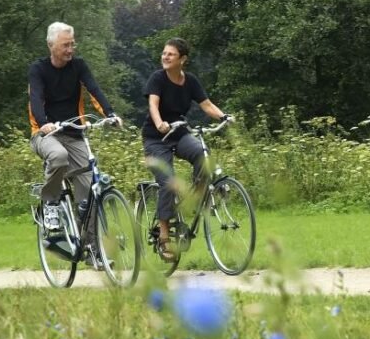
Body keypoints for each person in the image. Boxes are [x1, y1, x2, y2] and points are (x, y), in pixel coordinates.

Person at [142, 37, 231, 260]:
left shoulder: (190, 81)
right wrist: (160, 123)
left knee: (203, 155)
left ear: (182, 59)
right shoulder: (158, 78)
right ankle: (164, 238)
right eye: (164, 53)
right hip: (156, 137)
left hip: (180, 133)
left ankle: (196, 200)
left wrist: (224, 116)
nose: (165, 57)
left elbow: (206, 105)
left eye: (170, 54)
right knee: (168, 182)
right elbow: (153, 104)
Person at [28, 21, 122, 231]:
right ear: (51, 45)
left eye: (72, 44)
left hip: (73, 133)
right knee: (59, 157)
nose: (70, 50)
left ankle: (92, 248)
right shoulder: (38, 69)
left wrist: (110, 114)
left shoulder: (78, 66)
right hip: (45, 135)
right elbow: (35, 99)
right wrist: (44, 124)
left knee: (89, 189)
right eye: (65, 45)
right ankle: (50, 202)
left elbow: (94, 89)